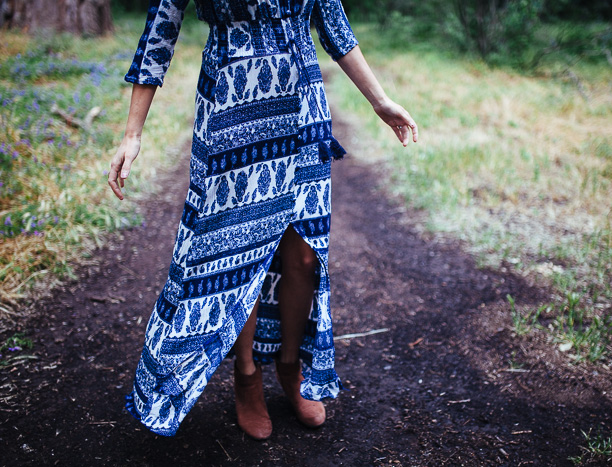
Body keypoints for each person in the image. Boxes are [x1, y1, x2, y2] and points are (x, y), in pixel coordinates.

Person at [108, 0, 417, 440]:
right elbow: (160, 32)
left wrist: (380, 101)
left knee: (305, 255)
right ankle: (247, 374)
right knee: (241, 251)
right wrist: (132, 133)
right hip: (234, 108)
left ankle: (290, 367)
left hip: (304, 108)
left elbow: (334, 25)